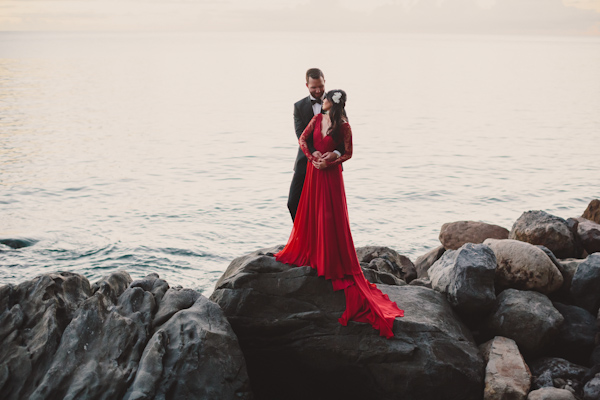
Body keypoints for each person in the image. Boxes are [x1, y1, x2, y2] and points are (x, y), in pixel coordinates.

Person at [276, 89, 404, 338]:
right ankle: (314, 249)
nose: (321, 101)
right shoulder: (316, 119)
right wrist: (312, 156)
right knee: (313, 213)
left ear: (331, 104)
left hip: (330, 176)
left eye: (325, 99)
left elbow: (348, 153)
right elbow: (303, 140)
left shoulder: (344, 126)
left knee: (330, 216)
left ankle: (330, 256)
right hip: (314, 171)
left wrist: (331, 161)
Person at [287, 68, 344, 221]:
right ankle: (301, 237)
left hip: (329, 164)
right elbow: (300, 135)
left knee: (326, 208)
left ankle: (324, 241)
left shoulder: (336, 103)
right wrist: (312, 152)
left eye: (321, 86)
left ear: (325, 82)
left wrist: (336, 154)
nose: (318, 90)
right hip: (304, 161)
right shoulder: (299, 106)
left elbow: (344, 136)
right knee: (293, 202)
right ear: (307, 86)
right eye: (314, 87)